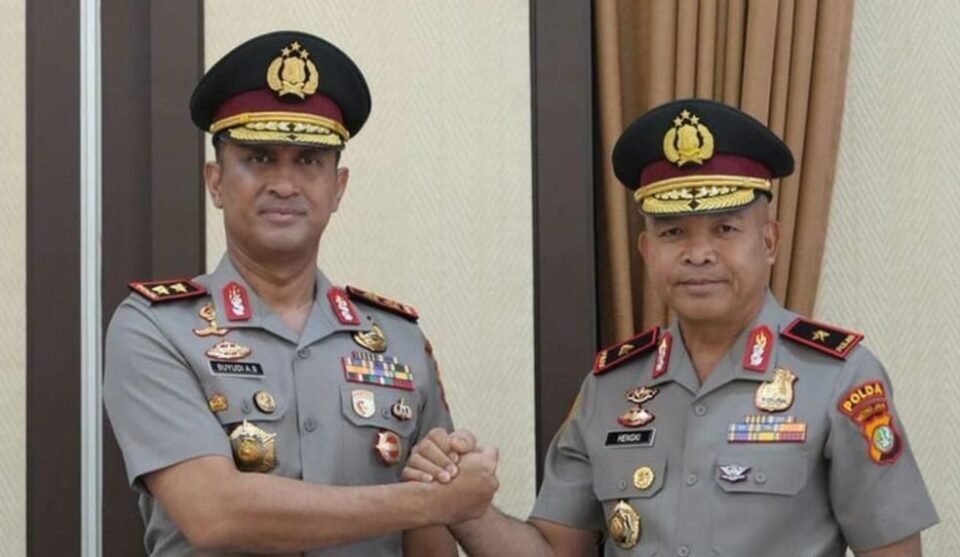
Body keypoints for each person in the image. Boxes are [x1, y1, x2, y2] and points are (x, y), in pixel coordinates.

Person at [403, 99, 939, 556]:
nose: (698, 254)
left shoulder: (838, 378)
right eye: (673, 233)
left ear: (769, 242)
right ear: (646, 250)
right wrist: (466, 508)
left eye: (724, 229)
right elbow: (553, 550)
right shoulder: (610, 388)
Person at [103, 30, 496, 557]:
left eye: (309, 160)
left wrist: (448, 484)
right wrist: (430, 502)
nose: (285, 184)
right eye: (259, 158)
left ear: (338, 187)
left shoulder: (398, 342)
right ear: (215, 182)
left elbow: (428, 544)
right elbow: (214, 512)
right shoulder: (155, 328)